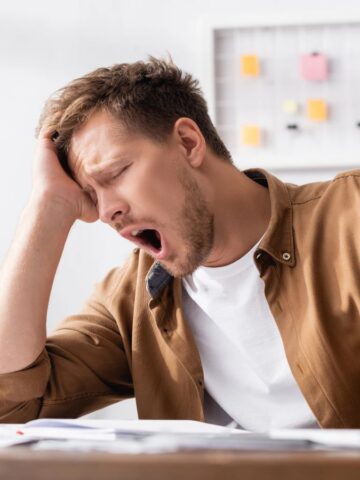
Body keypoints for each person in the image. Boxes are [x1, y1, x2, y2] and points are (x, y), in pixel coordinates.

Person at [0, 56, 359, 430]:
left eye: (115, 173)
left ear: (188, 143)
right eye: (90, 195)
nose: (106, 211)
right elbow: (13, 404)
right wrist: (47, 208)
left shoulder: (350, 216)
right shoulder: (130, 298)